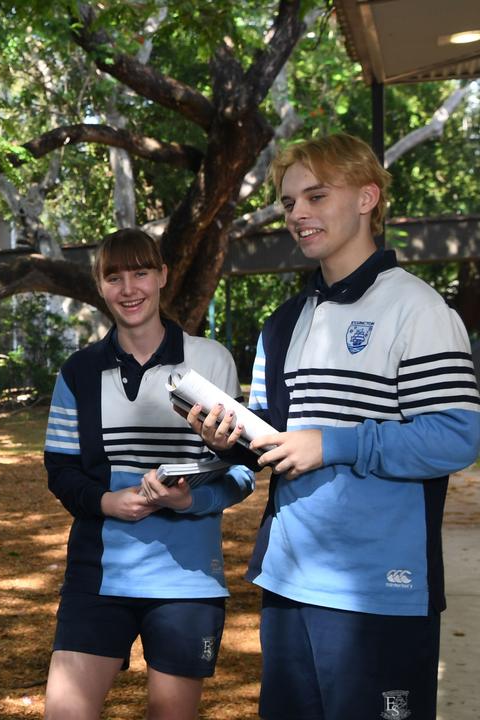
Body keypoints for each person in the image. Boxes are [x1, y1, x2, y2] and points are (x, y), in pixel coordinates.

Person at [188, 132, 480, 720]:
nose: (298, 214)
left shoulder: (419, 310)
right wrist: (233, 440)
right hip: (289, 580)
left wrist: (333, 444)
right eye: (290, 202)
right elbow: (275, 434)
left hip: (381, 589)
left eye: (316, 196)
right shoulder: (285, 322)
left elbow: (456, 435)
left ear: (368, 197)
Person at [42, 228, 255, 720]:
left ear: (162, 276)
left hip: (187, 581)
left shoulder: (209, 360)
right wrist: (105, 502)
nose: (129, 288)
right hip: (98, 576)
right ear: (100, 285)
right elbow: (60, 470)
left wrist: (187, 501)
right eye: (114, 276)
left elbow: (243, 473)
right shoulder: (78, 372)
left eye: (140, 272)